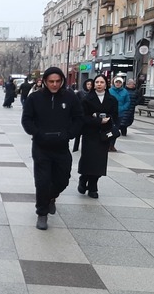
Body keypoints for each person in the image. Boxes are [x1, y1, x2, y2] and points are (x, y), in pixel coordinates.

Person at [21, 67, 83, 230]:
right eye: (51, 81)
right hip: (41, 146)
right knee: (42, 182)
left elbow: (78, 119)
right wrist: (37, 133)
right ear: (45, 81)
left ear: (62, 81)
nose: (54, 84)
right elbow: (26, 120)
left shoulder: (70, 97)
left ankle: (51, 197)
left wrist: (69, 134)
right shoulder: (35, 98)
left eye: (57, 81)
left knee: (63, 179)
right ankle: (42, 213)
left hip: (61, 146)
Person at [77, 75, 119, 199]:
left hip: (104, 135)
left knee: (99, 161)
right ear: (94, 84)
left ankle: (93, 186)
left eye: (102, 82)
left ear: (106, 84)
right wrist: (97, 120)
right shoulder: (86, 99)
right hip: (90, 133)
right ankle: (83, 179)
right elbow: (82, 117)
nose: (99, 84)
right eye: (97, 82)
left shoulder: (112, 99)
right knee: (88, 159)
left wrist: (109, 119)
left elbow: (115, 116)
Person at [108, 76, 130, 151]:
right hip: (111, 114)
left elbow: (127, 101)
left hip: (120, 114)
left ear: (122, 83)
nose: (118, 84)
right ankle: (107, 144)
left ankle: (112, 145)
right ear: (114, 83)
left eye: (119, 82)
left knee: (116, 130)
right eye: (116, 82)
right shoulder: (110, 91)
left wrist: (123, 108)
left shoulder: (125, 92)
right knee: (109, 130)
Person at [72, 78, 94, 152]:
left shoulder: (94, 94)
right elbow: (76, 104)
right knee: (78, 134)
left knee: (87, 134)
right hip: (81, 115)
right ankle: (75, 148)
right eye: (88, 84)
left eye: (91, 84)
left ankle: (86, 148)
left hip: (89, 116)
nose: (89, 86)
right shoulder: (80, 93)